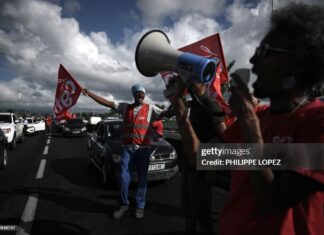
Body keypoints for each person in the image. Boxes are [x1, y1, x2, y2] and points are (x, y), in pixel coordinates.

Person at [166, 3, 324, 235]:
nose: (252, 61)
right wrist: (180, 109)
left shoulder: (317, 122)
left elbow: (271, 200)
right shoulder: (258, 118)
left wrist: (249, 123)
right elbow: (200, 157)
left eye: (263, 52)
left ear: (297, 64)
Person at [83, 84, 164, 219]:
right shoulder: (125, 107)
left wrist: (179, 104)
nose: (140, 95)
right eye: (138, 93)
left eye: (142, 93)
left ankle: (140, 206)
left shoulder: (150, 108)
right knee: (122, 177)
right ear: (134, 95)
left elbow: (166, 114)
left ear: (144, 95)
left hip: (143, 150)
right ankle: (124, 204)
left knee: (142, 179)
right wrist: (90, 94)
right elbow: (107, 103)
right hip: (127, 149)